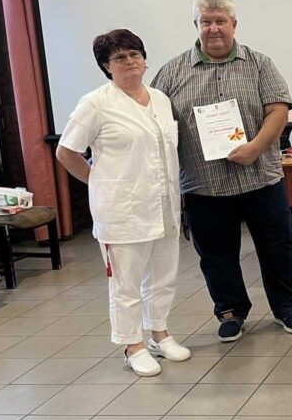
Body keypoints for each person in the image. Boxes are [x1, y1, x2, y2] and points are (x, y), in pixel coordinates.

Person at [152, 0, 292, 343]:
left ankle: (286, 307)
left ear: (234, 24)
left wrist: (255, 147)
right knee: (215, 256)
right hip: (203, 185)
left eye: (220, 21)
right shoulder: (171, 72)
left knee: (278, 247)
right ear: (196, 26)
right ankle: (231, 311)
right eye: (206, 22)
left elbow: (278, 111)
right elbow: (157, 123)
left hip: (260, 178)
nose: (213, 28)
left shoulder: (260, 64)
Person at [56, 29, 191, 377]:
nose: (130, 61)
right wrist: (97, 181)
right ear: (106, 66)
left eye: (135, 54)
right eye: (120, 57)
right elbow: (66, 152)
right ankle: (133, 346)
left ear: (144, 59)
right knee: (126, 283)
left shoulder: (160, 99)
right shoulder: (96, 103)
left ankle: (159, 333)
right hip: (121, 211)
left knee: (163, 276)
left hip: (164, 204)